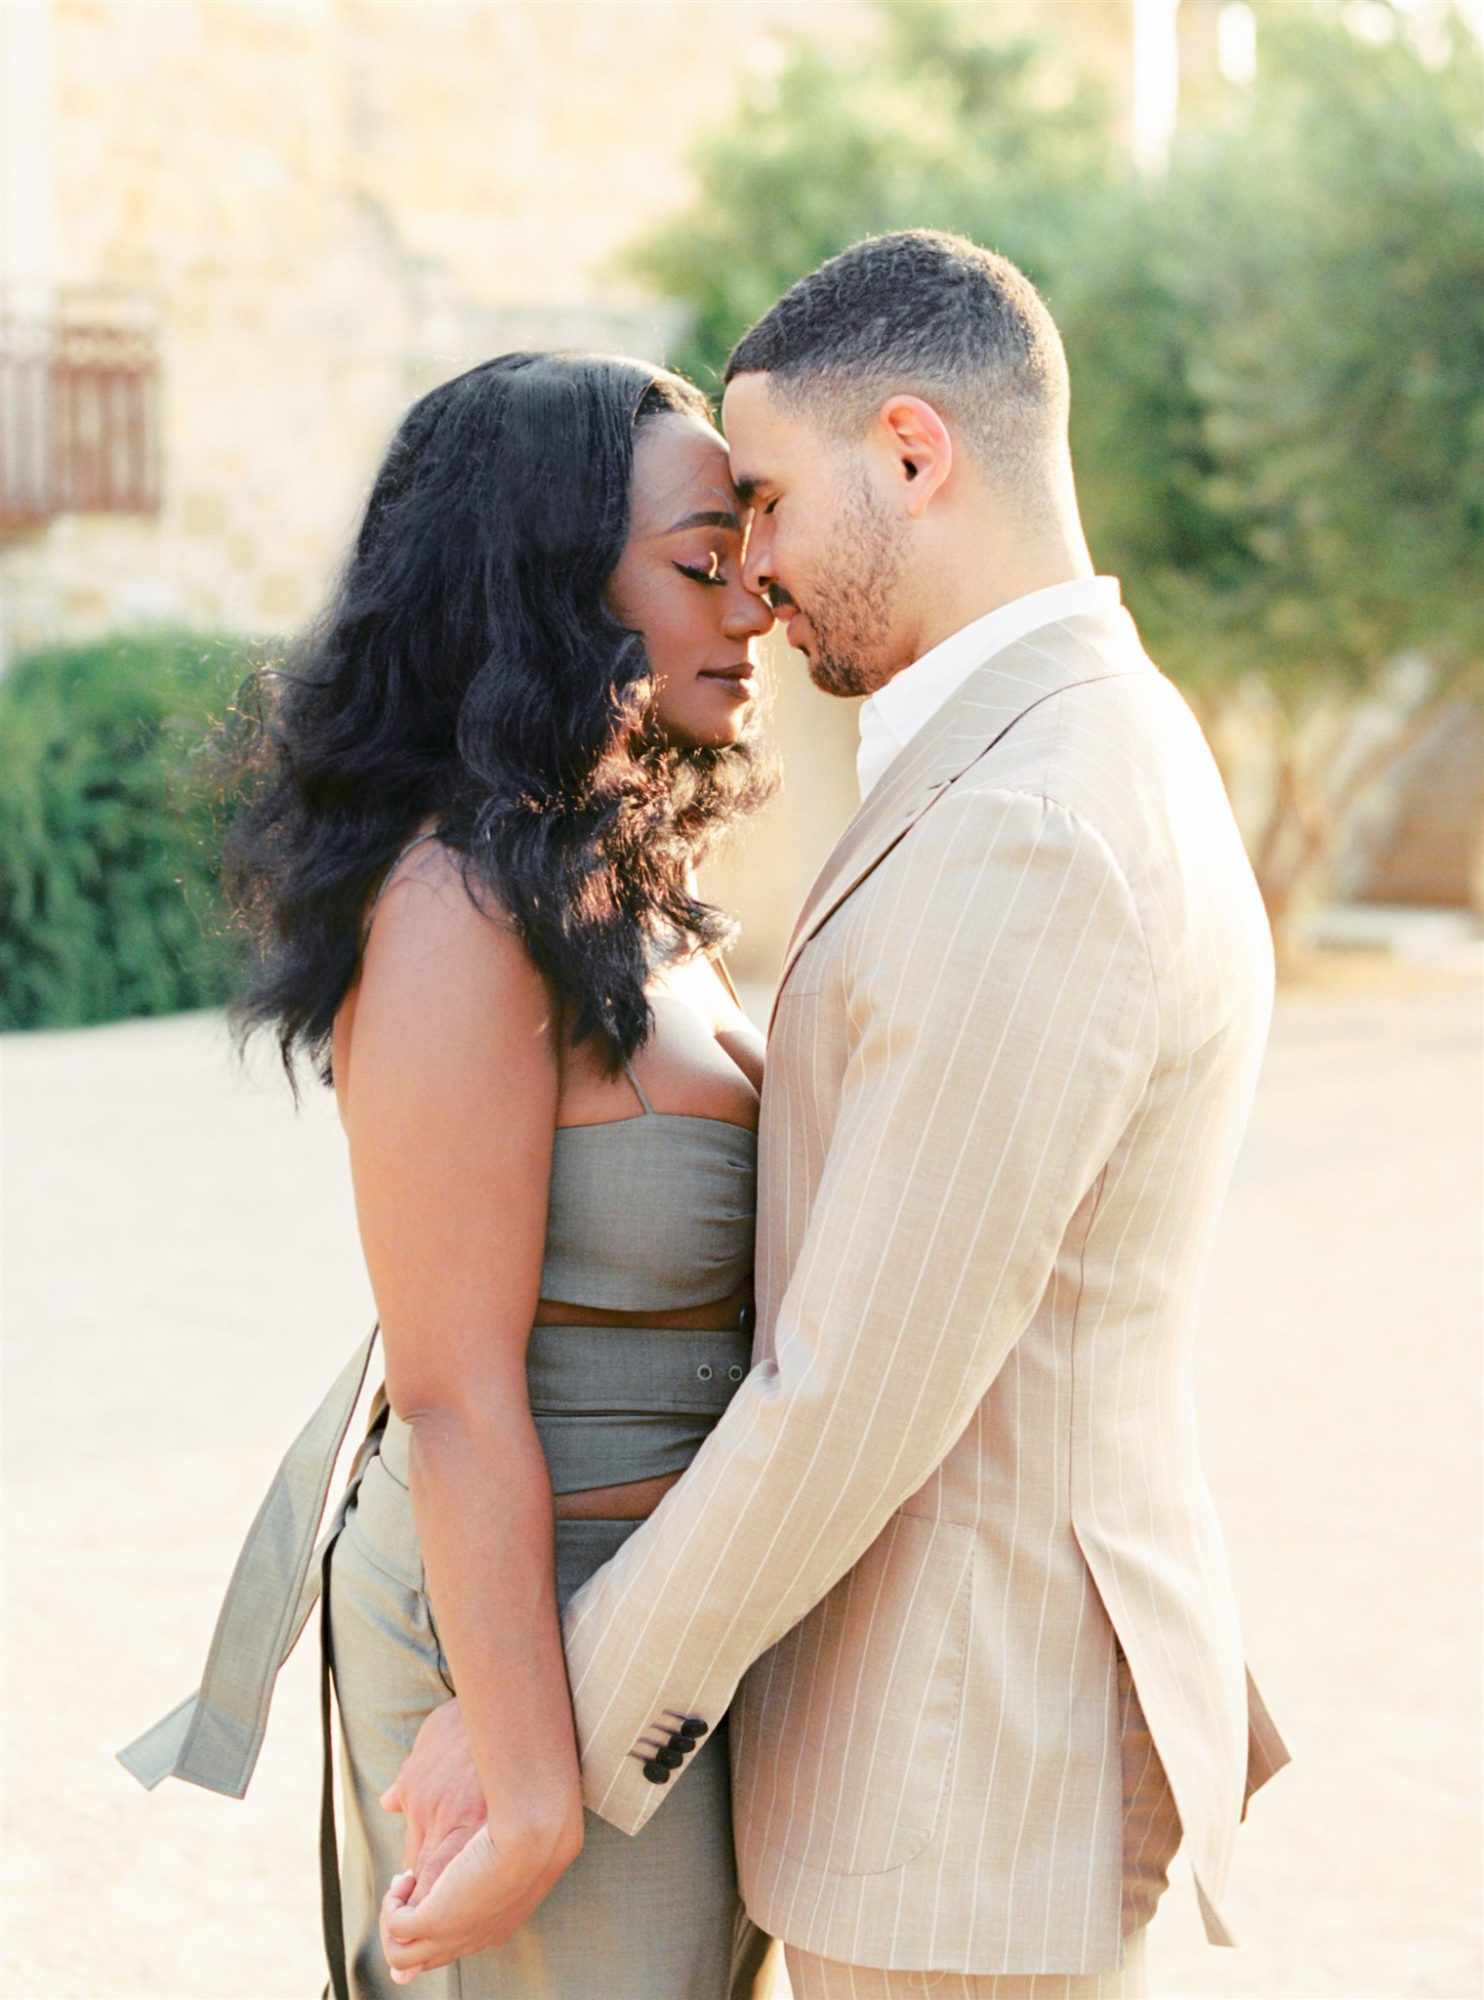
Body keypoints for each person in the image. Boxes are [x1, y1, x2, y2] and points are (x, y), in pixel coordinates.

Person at [379, 232, 1293, 1999]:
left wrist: (534, 1728)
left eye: (775, 505)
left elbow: (852, 1390)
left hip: (958, 1765)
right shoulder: (1072, 742)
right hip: (946, 1746)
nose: (761, 573)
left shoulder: (1036, 814)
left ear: (913, 452)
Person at [116, 350, 780, 1999]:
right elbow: (459, 1390)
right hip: (512, 1656)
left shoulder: (624, 874)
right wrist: (536, 1789)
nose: (755, 600)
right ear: (550, 590)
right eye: (704, 564)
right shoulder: (458, 910)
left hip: (652, 1638)